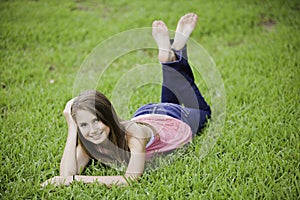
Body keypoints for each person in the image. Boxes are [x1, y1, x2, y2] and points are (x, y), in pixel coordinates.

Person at [42, 13, 211, 187]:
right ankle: (174, 53)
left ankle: (173, 54)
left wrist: (76, 180)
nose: (92, 130)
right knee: (170, 99)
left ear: (108, 116)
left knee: (204, 112)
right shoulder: (90, 141)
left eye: (96, 121)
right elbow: (66, 174)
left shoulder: (134, 135)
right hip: (146, 114)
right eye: (83, 125)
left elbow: (129, 179)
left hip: (174, 119)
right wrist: (72, 127)